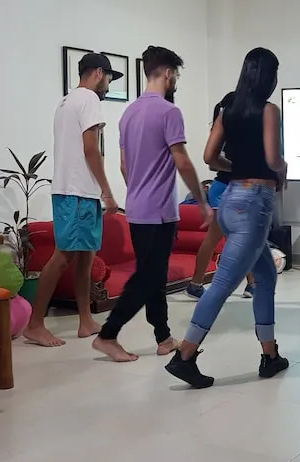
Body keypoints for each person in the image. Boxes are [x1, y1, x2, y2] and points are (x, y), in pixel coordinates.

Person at [165, 47, 289, 388]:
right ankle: (185, 356)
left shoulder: (228, 110)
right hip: (254, 205)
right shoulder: (269, 110)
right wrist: (284, 168)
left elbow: (209, 157)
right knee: (222, 284)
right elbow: (272, 158)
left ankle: (270, 354)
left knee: (265, 276)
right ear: (269, 77)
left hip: (231, 199)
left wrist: (236, 167)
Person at [92, 46, 213, 362]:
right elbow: (182, 160)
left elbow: (123, 165)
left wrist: (139, 191)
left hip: (137, 209)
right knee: (148, 277)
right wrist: (201, 201)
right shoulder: (169, 112)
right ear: (168, 73)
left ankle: (163, 337)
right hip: (159, 211)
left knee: (154, 274)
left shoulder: (128, 114)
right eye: (177, 76)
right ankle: (108, 335)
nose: (176, 82)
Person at [24, 53, 121, 347]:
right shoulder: (88, 98)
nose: (108, 85)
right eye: (108, 78)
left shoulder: (66, 102)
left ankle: (85, 320)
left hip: (74, 189)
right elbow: (91, 149)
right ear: (98, 73)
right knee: (64, 255)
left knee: (86, 256)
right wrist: (107, 190)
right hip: (78, 191)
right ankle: (35, 324)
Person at [185, 92, 256, 301]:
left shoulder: (223, 131)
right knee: (239, 238)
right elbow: (212, 162)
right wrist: (239, 168)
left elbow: (212, 162)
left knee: (232, 238)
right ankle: (250, 284)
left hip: (223, 187)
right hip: (229, 187)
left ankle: (197, 284)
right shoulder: (230, 132)